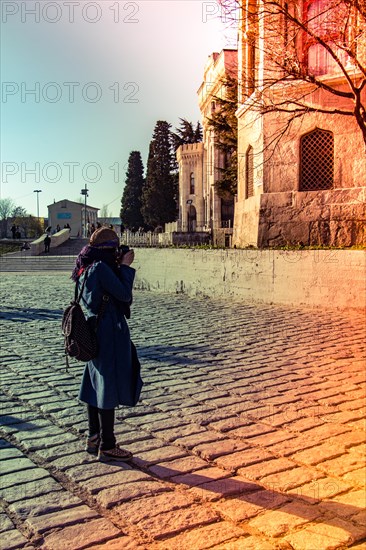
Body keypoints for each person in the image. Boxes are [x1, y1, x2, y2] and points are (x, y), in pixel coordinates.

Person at [71, 227, 138, 462]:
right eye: (115, 249)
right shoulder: (101, 268)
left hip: (92, 329)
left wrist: (118, 266)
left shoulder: (85, 266)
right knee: (107, 385)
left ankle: (93, 436)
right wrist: (126, 268)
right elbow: (123, 295)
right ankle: (108, 444)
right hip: (109, 330)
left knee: (94, 384)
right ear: (108, 250)